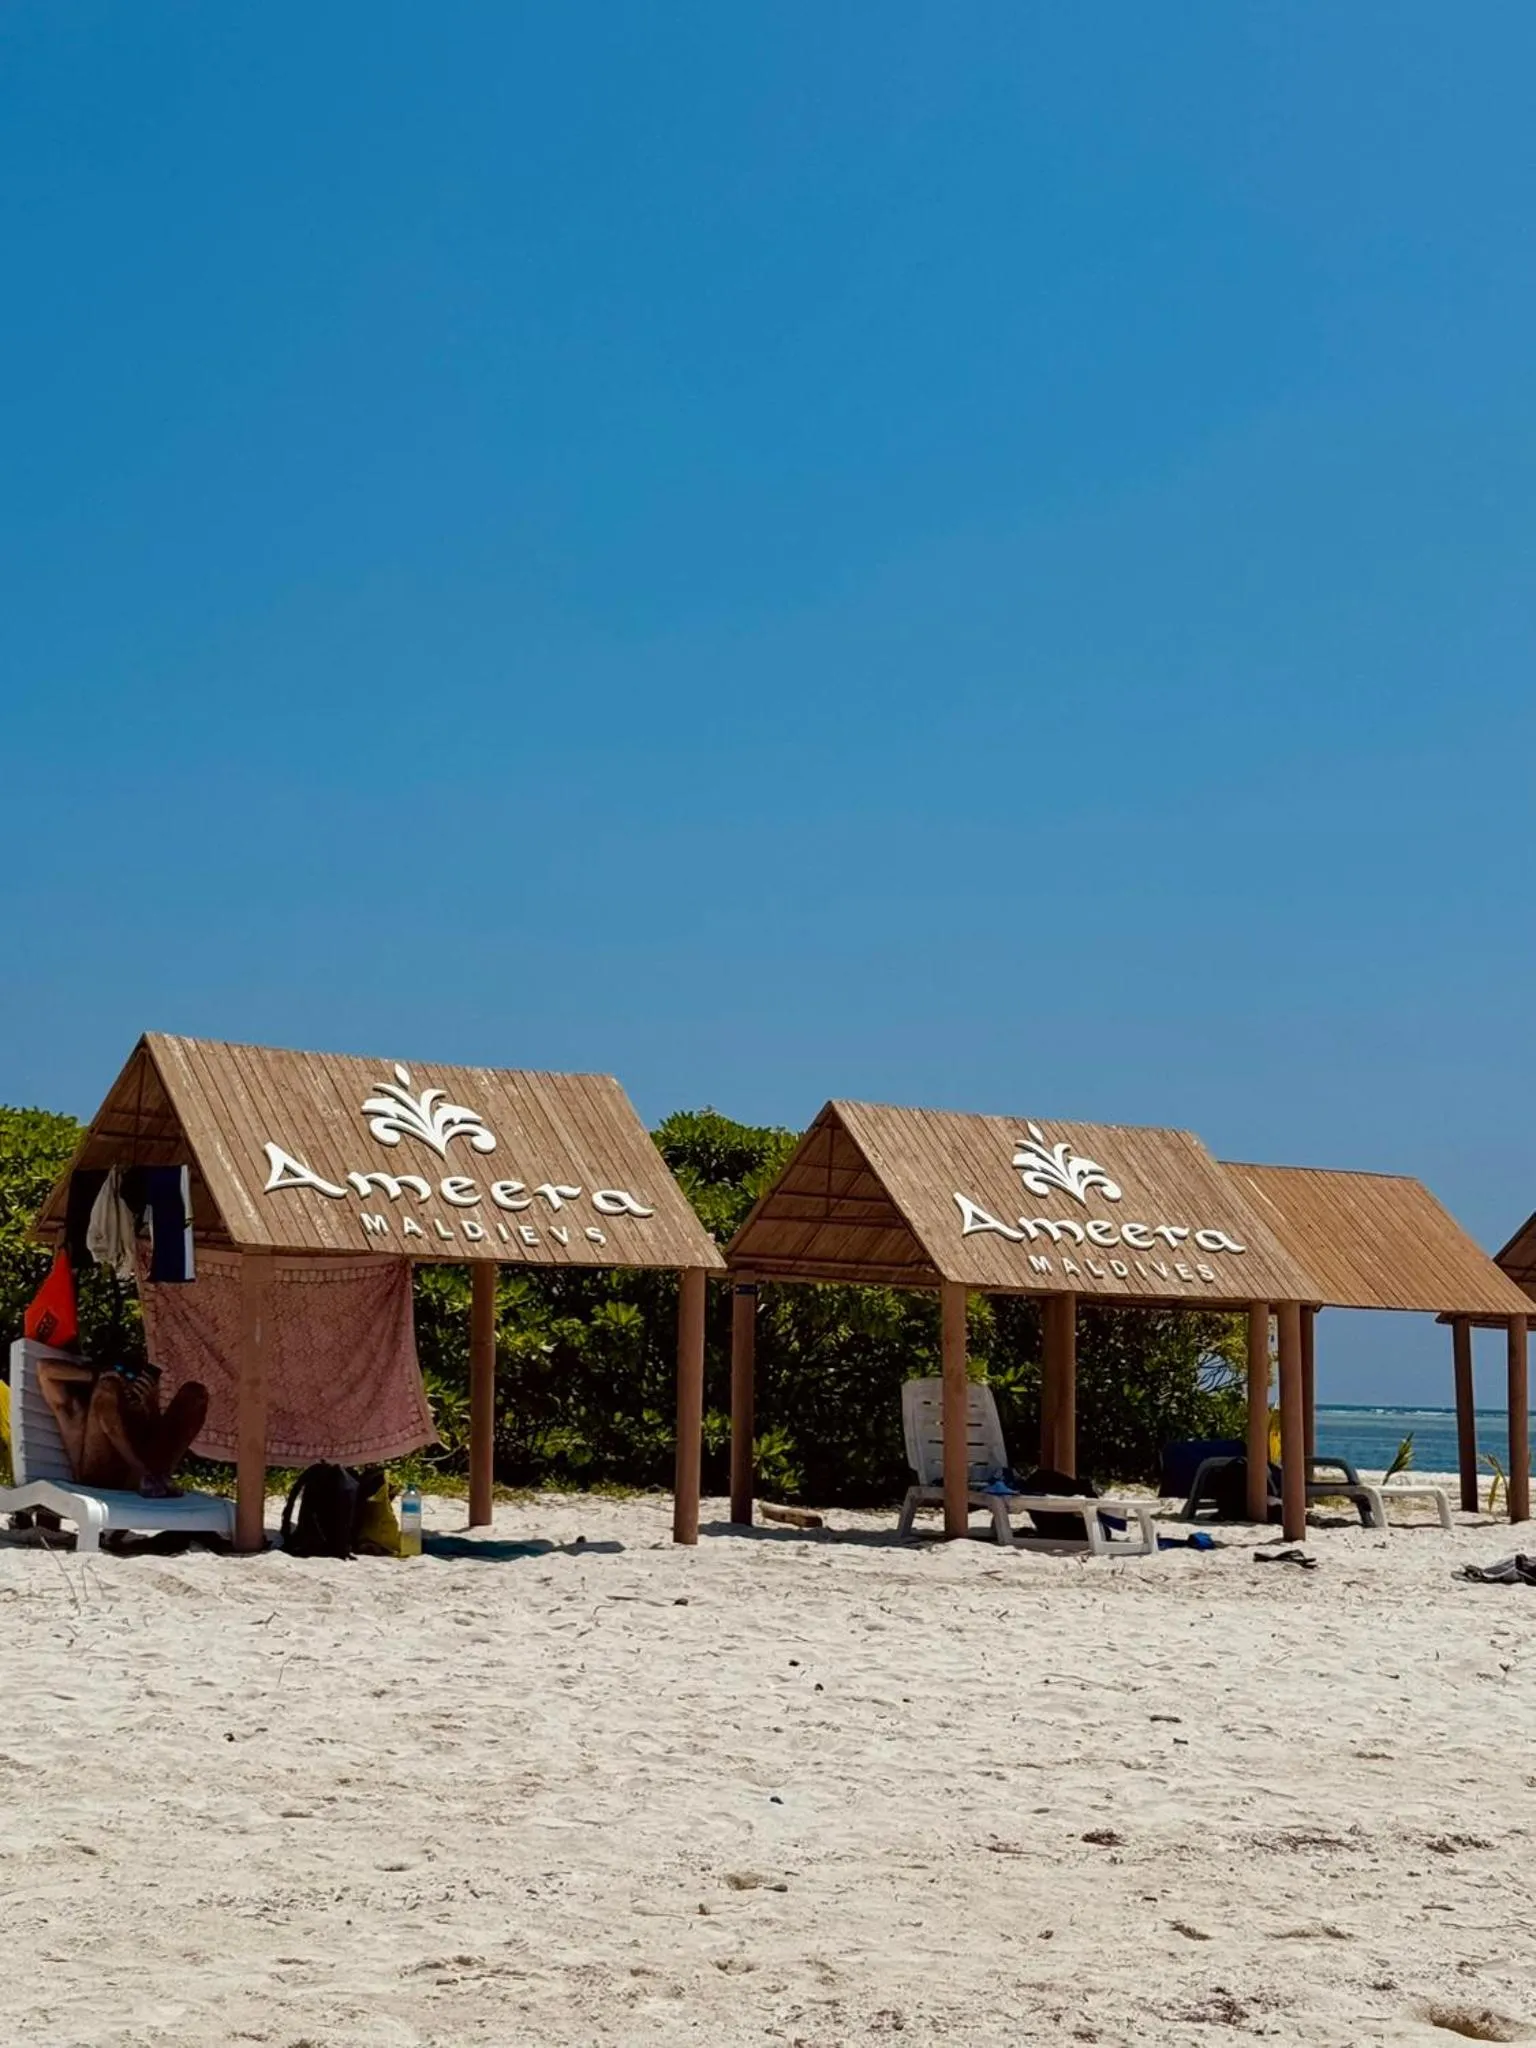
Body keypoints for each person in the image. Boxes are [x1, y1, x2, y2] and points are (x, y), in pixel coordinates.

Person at [36, 1357, 208, 1498]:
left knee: (194, 1393)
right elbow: (44, 1369)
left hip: (142, 1471)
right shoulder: (76, 1411)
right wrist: (100, 1375)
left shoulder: (135, 1412)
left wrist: (149, 1404)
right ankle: (144, 1473)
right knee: (107, 1390)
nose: (128, 1382)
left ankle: (156, 1477)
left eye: (132, 1378)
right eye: (125, 1376)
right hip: (100, 1479)